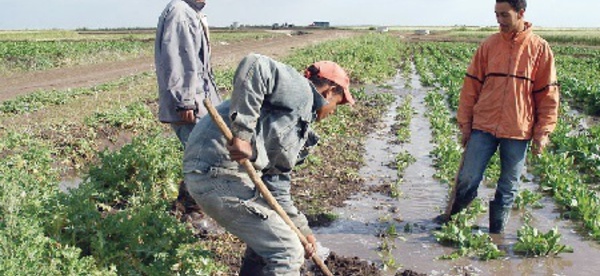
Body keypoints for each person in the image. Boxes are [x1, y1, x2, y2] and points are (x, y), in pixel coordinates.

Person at [183, 54, 354, 275]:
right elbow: (255, 65)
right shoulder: (301, 92)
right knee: (288, 252)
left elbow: (276, 183)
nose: (333, 112)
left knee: (274, 239)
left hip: (224, 174)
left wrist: (302, 230)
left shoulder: (299, 127)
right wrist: (242, 135)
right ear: (329, 91)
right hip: (214, 169)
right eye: (337, 104)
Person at [437, 0, 559, 234]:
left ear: (521, 13)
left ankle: (496, 234)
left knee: (508, 186)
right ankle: (452, 224)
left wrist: (543, 132)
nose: (499, 21)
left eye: (505, 15)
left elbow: (548, 95)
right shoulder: (489, 46)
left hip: (518, 128)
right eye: (496, 15)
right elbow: (470, 88)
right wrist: (465, 124)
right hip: (484, 125)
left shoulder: (539, 49)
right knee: (468, 177)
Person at [155, 0, 221, 210]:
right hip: (191, 103)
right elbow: (178, 60)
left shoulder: (190, 12)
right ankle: (193, 212)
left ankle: (187, 206)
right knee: (205, 160)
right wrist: (185, 102)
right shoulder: (180, 12)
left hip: (200, 99)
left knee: (204, 157)